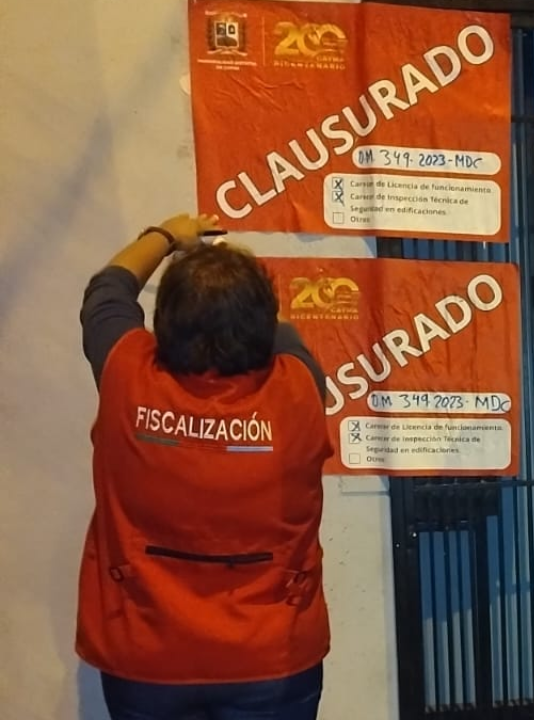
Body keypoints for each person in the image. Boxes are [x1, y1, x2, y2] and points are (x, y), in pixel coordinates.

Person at [77, 213, 333, 720]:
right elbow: (281, 332)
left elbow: (107, 292)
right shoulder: (301, 387)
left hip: (144, 656)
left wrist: (168, 235)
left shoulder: (125, 372)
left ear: (165, 322)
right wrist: (245, 303)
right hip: (273, 660)